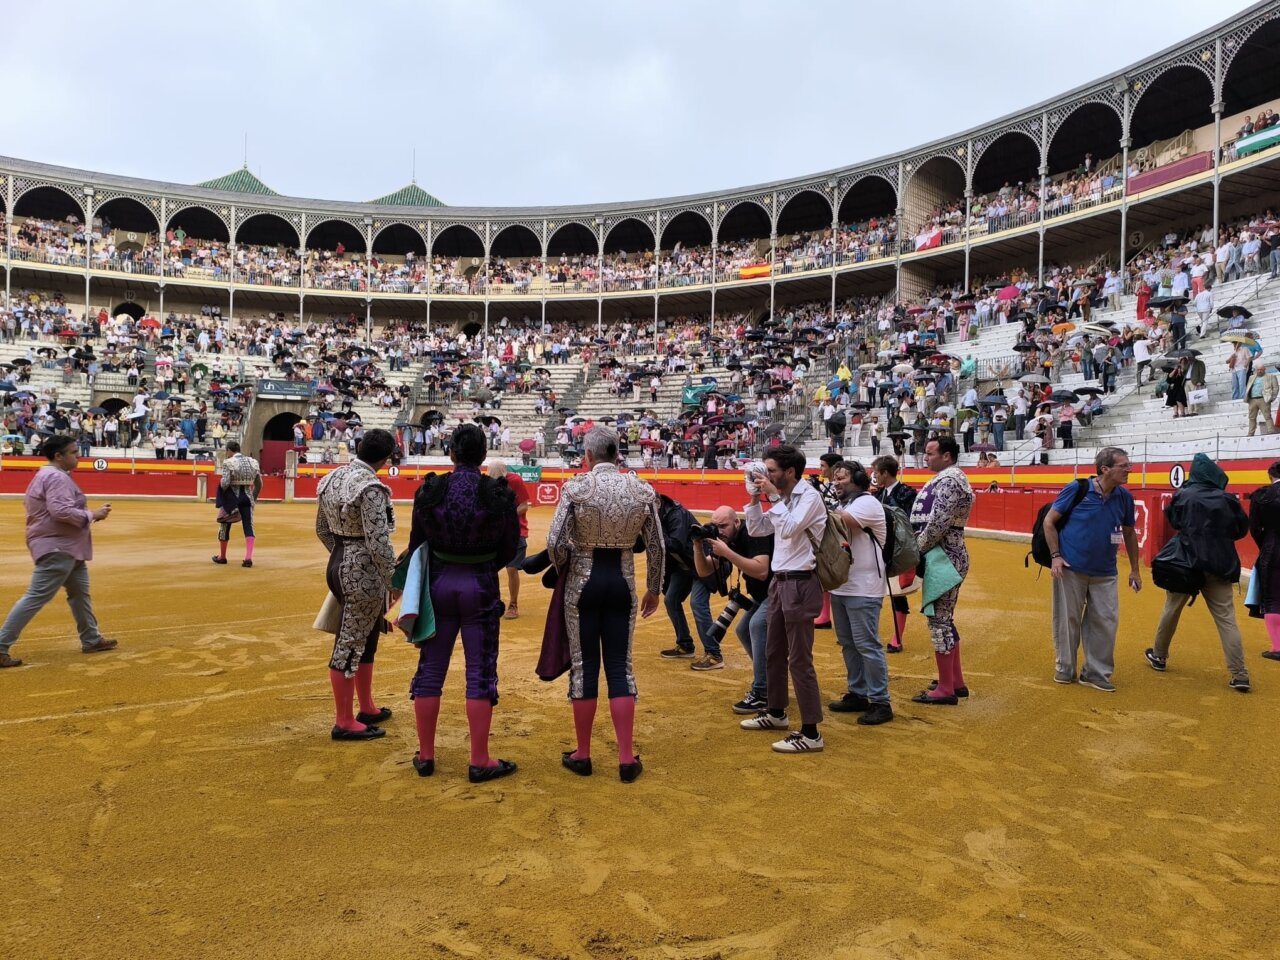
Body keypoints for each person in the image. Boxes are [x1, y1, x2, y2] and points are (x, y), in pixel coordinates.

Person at [407, 423, 521, 783]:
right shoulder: (497, 493)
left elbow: (416, 543)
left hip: (439, 583)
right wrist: (484, 566)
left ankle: (426, 756)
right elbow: (508, 548)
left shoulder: (431, 489)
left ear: (451, 454)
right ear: (484, 456)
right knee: (480, 671)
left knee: (431, 669)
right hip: (481, 585)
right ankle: (479, 760)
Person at [548, 427, 663, 783]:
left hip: (583, 583)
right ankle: (626, 758)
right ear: (618, 455)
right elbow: (657, 545)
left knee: (584, 668)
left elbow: (554, 541)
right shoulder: (641, 488)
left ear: (587, 455)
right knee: (620, 666)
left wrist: (565, 562)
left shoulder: (577, 487)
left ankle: (583, 754)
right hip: (623, 584)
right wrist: (654, 589)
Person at [739, 444, 828, 753]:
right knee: (773, 653)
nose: (766, 475)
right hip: (780, 581)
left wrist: (773, 497)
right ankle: (776, 713)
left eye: (772, 471)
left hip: (801, 583)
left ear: (790, 472)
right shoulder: (788, 497)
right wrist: (754, 498)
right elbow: (757, 528)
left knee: (800, 660)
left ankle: (811, 732)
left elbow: (789, 529)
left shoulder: (810, 497)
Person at [0, 435, 118, 667]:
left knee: (79, 594)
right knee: (37, 595)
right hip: (58, 545)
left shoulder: (48, 474)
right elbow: (61, 511)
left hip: (66, 546)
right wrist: (92, 515)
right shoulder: (56, 477)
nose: (78, 456)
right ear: (58, 456)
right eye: (74, 452)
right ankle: (1, 644)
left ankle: (91, 638)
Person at [315, 429, 398, 741]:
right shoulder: (371, 487)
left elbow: (322, 529)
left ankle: (367, 707)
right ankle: (344, 720)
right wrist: (394, 580)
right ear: (385, 457)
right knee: (350, 641)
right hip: (362, 569)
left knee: (366, 636)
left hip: (338, 558)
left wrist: (341, 556)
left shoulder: (332, 479)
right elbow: (378, 543)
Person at [1144, 454, 1251, 692]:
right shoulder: (1227, 499)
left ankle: (1159, 656)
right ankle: (1240, 674)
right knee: (1226, 619)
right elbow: (1241, 529)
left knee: (1171, 610)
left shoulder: (1184, 494)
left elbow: (1173, 519)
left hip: (1185, 562)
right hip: (1220, 564)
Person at [1043, 447, 1142, 692]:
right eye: (1124, 465)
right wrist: (1055, 556)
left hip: (1106, 570)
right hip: (1070, 567)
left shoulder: (1124, 498)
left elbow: (1128, 533)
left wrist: (1135, 570)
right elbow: (1049, 522)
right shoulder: (1077, 489)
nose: (1130, 469)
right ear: (1105, 469)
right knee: (1068, 620)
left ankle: (1096, 673)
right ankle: (1065, 667)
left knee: (1106, 621)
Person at [909, 437, 974, 705]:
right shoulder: (949, 478)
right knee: (945, 619)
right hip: (945, 555)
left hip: (944, 558)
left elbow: (937, 524)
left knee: (940, 622)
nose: (926, 457)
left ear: (946, 456)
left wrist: (915, 551)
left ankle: (946, 688)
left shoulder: (948, 481)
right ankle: (955, 682)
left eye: (930, 453)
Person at [827, 461, 893, 724]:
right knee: (848, 644)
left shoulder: (866, 503)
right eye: (834, 478)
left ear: (857, 478)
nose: (836, 482)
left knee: (866, 645)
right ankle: (858, 692)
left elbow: (841, 523)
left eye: (841, 478)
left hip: (864, 587)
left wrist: (813, 504)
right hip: (843, 585)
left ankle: (880, 701)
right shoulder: (846, 504)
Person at [693, 505, 773, 714]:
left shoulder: (753, 532)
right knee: (743, 630)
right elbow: (704, 571)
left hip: (778, 590)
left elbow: (762, 571)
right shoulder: (727, 540)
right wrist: (697, 546)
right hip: (760, 595)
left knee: (756, 626)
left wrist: (727, 552)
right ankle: (771, 680)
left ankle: (762, 692)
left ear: (737, 522)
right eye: (715, 526)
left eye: (724, 526)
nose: (719, 531)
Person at [657, 493, 717, 665]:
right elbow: (639, 547)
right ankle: (685, 645)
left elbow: (675, 544)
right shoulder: (657, 516)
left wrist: (652, 533)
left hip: (703, 563)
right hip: (684, 566)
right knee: (671, 600)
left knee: (697, 603)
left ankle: (714, 654)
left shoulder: (676, 514)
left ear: (656, 503)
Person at [871, 455, 916, 652]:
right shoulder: (877, 494)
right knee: (873, 591)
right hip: (878, 548)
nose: (874, 476)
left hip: (897, 549)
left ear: (885, 473)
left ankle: (897, 638)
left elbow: (908, 523)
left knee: (898, 594)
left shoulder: (907, 493)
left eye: (876, 473)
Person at [486, 461, 530, 619]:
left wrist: (507, 517)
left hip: (516, 531)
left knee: (511, 569)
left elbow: (524, 505)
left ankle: (513, 604)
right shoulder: (487, 484)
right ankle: (492, 602)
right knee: (489, 569)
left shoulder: (515, 481)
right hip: (496, 532)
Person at [1248, 460, 1280, 662]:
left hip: (1273, 547)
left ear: (1270, 476)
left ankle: (1278, 646)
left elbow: (1253, 527)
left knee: (1273, 598)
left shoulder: (1262, 495)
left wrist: (1265, 546)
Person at [212, 440, 262, 567]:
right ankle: (248, 558)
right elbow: (259, 484)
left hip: (232, 498)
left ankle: (222, 557)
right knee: (248, 526)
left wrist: (223, 495)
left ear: (229, 450)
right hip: (247, 497)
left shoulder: (228, 462)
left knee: (224, 524)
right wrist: (253, 498)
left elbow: (225, 483)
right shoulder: (253, 462)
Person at [1244, 361, 1277, 437]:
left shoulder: (1271, 376)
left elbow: (1275, 388)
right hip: (1252, 400)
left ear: (1264, 369)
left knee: (1267, 416)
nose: (1259, 371)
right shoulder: (1251, 377)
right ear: (1256, 370)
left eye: (1261, 369)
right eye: (1258, 369)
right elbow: (1249, 387)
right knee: (1251, 417)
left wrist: (1272, 398)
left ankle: (1271, 431)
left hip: (1264, 399)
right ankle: (1251, 433)